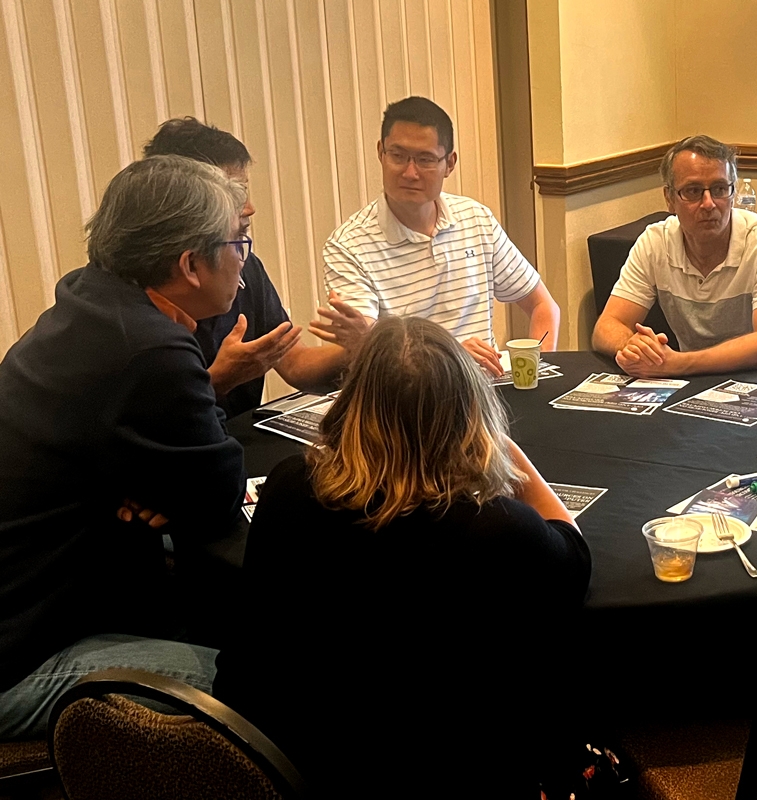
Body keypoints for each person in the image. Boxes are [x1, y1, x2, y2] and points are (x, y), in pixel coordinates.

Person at [214, 316, 591, 796]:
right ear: (470, 414)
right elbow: (574, 552)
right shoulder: (496, 527)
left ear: (352, 403)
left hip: (287, 763)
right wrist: (507, 453)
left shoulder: (290, 485)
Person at [0, 156, 250, 738]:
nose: (245, 258)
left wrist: (154, 484)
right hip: (19, 660)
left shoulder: (91, 298)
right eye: (240, 241)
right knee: (264, 682)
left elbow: (185, 471)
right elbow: (219, 491)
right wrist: (167, 487)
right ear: (191, 264)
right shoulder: (147, 348)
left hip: (48, 601)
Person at [144, 118, 371, 418]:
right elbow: (150, 420)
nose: (249, 207)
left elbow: (295, 364)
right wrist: (219, 379)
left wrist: (363, 347)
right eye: (235, 192)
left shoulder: (243, 263)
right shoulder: (138, 298)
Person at [324, 96, 560, 377]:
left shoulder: (475, 218)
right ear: (380, 153)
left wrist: (535, 373)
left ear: (449, 163)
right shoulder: (349, 246)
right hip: (409, 402)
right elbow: (376, 356)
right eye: (398, 156)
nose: (410, 173)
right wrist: (452, 354)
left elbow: (544, 306)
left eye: (425, 160)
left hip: (486, 393)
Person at [592, 135, 757, 377]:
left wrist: (679, 364)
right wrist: (633, 346)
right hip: (696, 383)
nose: (709, 203)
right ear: (669, 198)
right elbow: (606, 326)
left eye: (719, 189)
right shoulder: (655, 242)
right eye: (693, 191)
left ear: (733, 194)